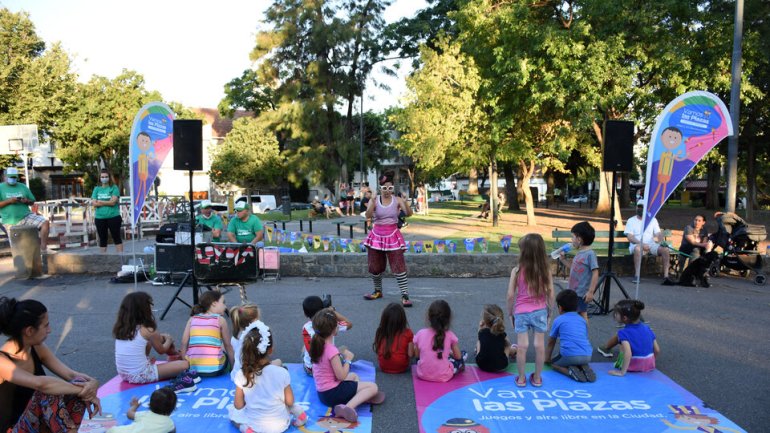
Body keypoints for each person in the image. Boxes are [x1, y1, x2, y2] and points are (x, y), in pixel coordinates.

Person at [0, 296, 101, 433]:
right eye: (46, 325)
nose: (50, 330)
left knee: (76, 382)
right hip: (13, 429)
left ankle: (73, 429)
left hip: (39, 422)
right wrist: (81, 389)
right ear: (29, 331)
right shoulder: (2, 360)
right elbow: (41, 384)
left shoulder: (36, 347)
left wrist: (92, 383)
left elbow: (70, 374)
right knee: (47, 392)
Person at [228, 320, 307, 433]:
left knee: (233, 415)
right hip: (280, 425)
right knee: (291, 406)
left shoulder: (242, 374)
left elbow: (238, 405)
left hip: (255, 425)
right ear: (270, 350)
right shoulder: (281, 372)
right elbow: (290, 401)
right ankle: (301, 416)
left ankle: (246, 429)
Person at [310, 308, 383, 423]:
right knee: (373, 387)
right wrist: (348, 360)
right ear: (334, 329)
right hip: (332, 394)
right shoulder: (331, 350)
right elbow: (341, 377)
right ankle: (347, 408)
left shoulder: (316, 345)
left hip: (322, 393)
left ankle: (360, 396)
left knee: (353, 376)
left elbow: (323, 371)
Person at [112, 292, 194, 391]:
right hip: (140, 374)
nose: (152, 307)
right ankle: (177, 356)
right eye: (150, 304)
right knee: (185, 365)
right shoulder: (148, 329)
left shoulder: (122, 328)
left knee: (156, 339)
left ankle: (175, 356)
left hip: (124, 374)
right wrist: (169, 339)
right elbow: (161, 350)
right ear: (144, 308)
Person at [506, 233, 554, 387]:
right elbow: (550, 293)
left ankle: (521, 378)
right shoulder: (545, 270)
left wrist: (510, 313)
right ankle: (538, 378)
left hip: (521, 311)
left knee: (522, 346)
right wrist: (549, 313)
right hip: (540, 311)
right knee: (539, 346)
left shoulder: (517, 270)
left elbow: (510, 295)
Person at [362, 172, 414, 307]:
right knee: (375, 266)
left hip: (393, 235)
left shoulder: (397, 200)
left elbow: (408, 214)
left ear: (393, 188)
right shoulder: (375, 200)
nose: (387, 191)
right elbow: (368, 216)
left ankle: (405, 295)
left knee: (398, 265)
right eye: (384, 188)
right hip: (376, 236)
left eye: (390, 188)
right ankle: (377, 291)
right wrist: (372, 202)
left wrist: (406, 201)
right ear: (380, 188)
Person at [179, 290, 234, 377]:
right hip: (216, 369)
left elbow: (183, 343)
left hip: (193, 369)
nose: (225, 306)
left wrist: (186, 365)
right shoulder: (220, 320)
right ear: (214, 303)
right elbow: (228, 346)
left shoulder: (192, 319)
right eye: (223, 302)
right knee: (223, 344)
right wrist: (233, 368)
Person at [545, 290, 595, 382]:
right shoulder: (582, 320)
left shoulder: (558, 320)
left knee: (554, 363)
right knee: (576, 357)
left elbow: (551, 341)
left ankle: (570, 372)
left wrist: (547, 358)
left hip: (569, 356)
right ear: (576, 307)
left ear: (560, 307)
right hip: (587, 356)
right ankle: (584, 367)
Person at [600, 300, 660, 376]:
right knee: (638, 339)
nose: (615, 315)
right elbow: (657, 350)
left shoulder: (623, 333)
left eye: (616, 313)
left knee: (622, 342)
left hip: (632, 366)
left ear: (624, 318)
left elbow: (628, 353)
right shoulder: (647, 328)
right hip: (649, 365)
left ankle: (609, 351)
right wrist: (651, 362)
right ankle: (646, 363)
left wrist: (622, 372)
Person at [412, 300, 466, 382]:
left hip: (422, 374)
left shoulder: (420, 333)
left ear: (428, 317)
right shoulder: (450, 335)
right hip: (444, 375)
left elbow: (417, 356)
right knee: (463, 354)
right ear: (448, 319)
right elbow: (458, 356)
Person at [0, 167, 50, 251]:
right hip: (10, 221)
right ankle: (20, 262)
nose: (13, 179)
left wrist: (26, 201)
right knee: (18, 249)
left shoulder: (22, 186)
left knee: (45, 223)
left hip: (26, 216)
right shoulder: (1, 187)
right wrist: (9, 201)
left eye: (14, 177)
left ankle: (43, 248)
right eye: (11, 177)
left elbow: (32, 201)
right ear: (5, 177)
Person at [301, 296, 352, 376]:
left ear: (305, 314)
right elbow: (349, 324)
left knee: (304, 347)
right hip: (328, 370)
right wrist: (333, 312)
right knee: (344, 348)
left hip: (311, 369)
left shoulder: (306, 328)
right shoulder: (330, 323)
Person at [625, 198, 671, 284]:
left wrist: (661, 241)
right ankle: (637, 275)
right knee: (638, 249)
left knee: (665, 250)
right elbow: (630, 237)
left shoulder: (652, 220)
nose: (640, 209)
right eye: (639, 206)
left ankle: (666, 276)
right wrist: (641, 244)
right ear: (636, 207)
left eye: (643, 207)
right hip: (637, 245)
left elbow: (658, 233)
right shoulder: (631, 220)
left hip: (651, 245)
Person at [559, 221, 599, 321]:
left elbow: (595, 272)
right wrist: (563, 259)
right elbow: (573, 267)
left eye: (572, 237)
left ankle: (583, 335)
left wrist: (590, 292)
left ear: (579, 239)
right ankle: (578, 333)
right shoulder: (579, 253)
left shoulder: (590, 254)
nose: (571, 240)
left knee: (582, 314)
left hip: (581, 293)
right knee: (577, 314)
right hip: (573, 291)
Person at [106, 388, 176, 433]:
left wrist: (134, 406)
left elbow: (129, 414)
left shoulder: (144, 414)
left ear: (149, 404)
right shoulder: (169, 423)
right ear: (173, 408)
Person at [372, 303, 414, 374]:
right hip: (402, 367)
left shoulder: (380, 331)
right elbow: (410, 354)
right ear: (402, 319)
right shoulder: (408, 332)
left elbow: (378, 347)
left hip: (383, 366)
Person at [474, 304, 514, 373]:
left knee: (479, 341)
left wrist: (480, 327)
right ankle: (514, 351)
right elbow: (508, 344)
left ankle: (477, 351)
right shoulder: (501, 333)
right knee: (507, 346)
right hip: (501, 366)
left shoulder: (482, 332)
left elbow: (479, 338)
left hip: (481, 365)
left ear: (485, 321)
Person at [229, 303, 264, 382]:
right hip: (252, 377)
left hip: (236, 376)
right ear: (254, 322)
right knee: (278, 363)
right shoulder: (257, 337)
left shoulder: (235, 337)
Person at [91, 169, 123, 253]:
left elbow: (113, 202)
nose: (104, 178)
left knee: (117, 238)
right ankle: (103, 260)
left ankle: (121, 259)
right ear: (99, 178)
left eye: (106, 177)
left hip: (113, 217)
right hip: (100, 218)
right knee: (102, 239)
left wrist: (100, 201)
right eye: (102, 177)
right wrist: (107, 201)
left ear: (109, 177)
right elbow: (94, 203)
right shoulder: (96, 189)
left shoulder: (114, 187)